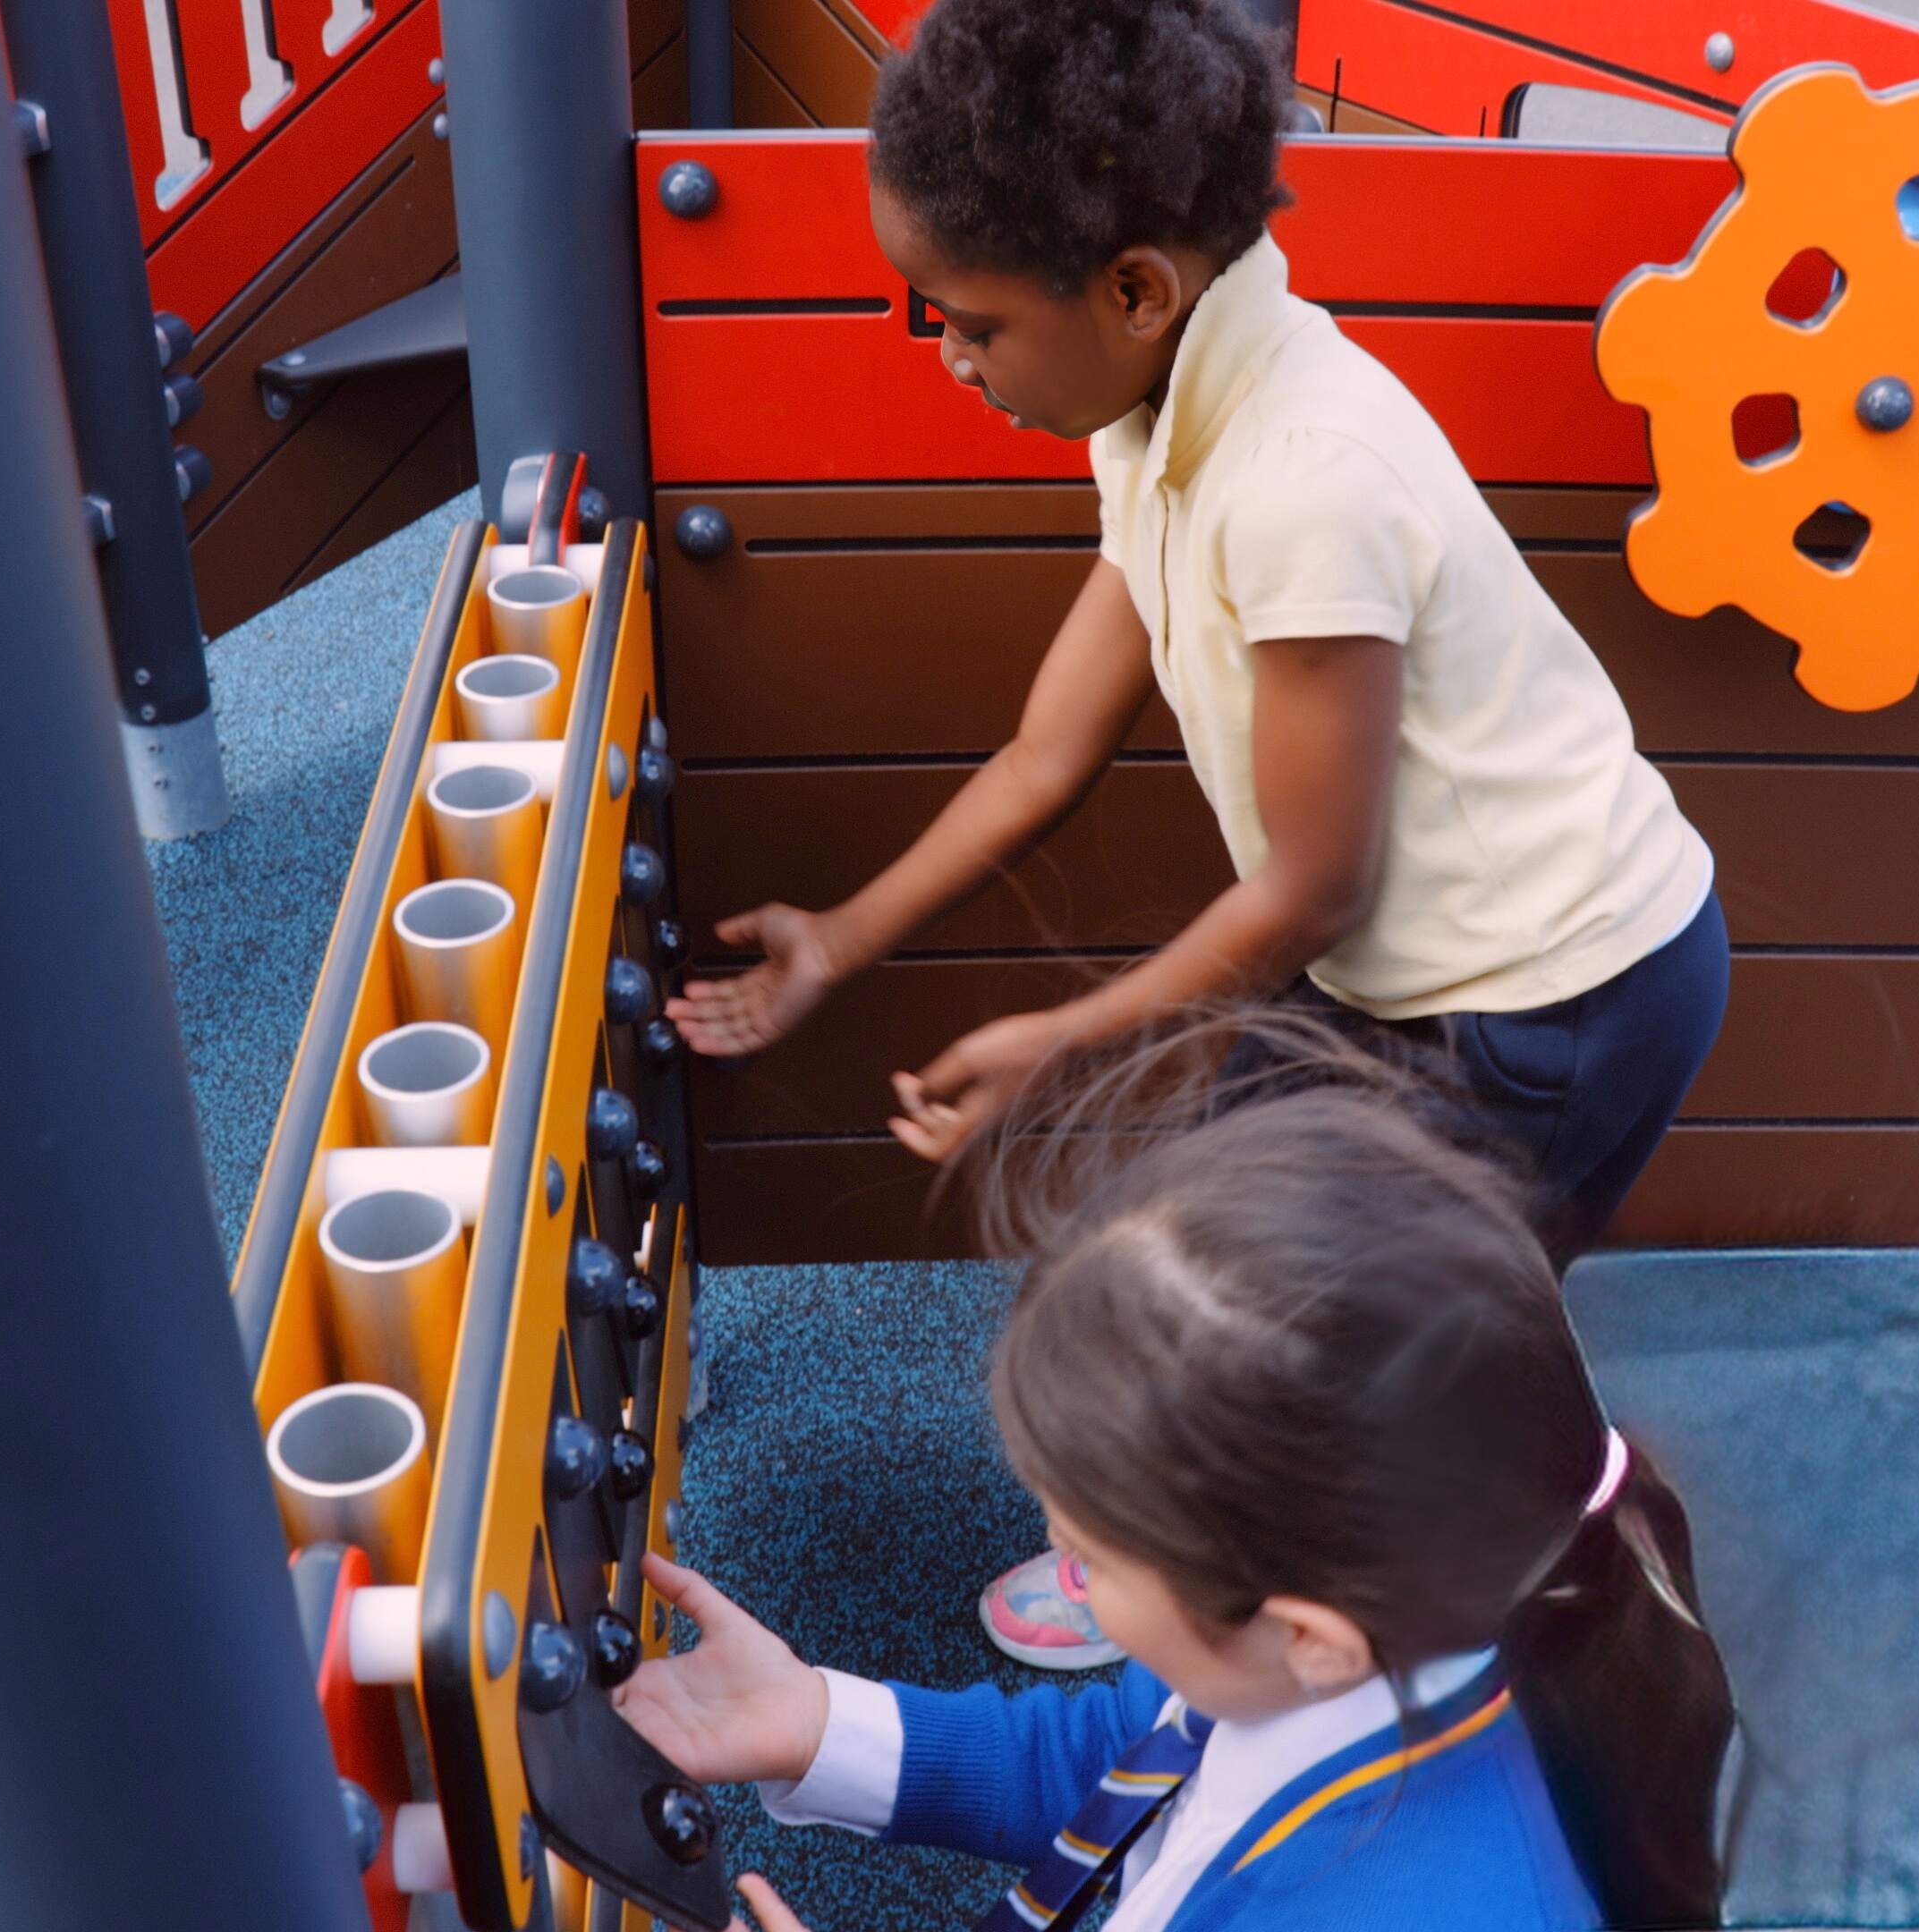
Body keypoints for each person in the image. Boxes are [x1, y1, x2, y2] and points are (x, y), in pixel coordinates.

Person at [663, 0, 1729, 1669]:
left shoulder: (1303, 472)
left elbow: (1316, 883)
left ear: (1136, 288)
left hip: (1554, 997)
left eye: (964, 323)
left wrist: (1067, 1045)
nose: (944, 357)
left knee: (1369, 1347)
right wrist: (842, 939)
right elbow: (1046, 749)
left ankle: (1493, 1639)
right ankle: (1224, 1574)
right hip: (1395, 977)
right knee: (1221, 1268)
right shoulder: (1156, 410)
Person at [615, 1014, 1737, 1931]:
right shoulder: (1347, 1637)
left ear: (1307, 1633)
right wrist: (818, 1721)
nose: (1059, 1558)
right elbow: (1134, 1761)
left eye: (1091, 1554)